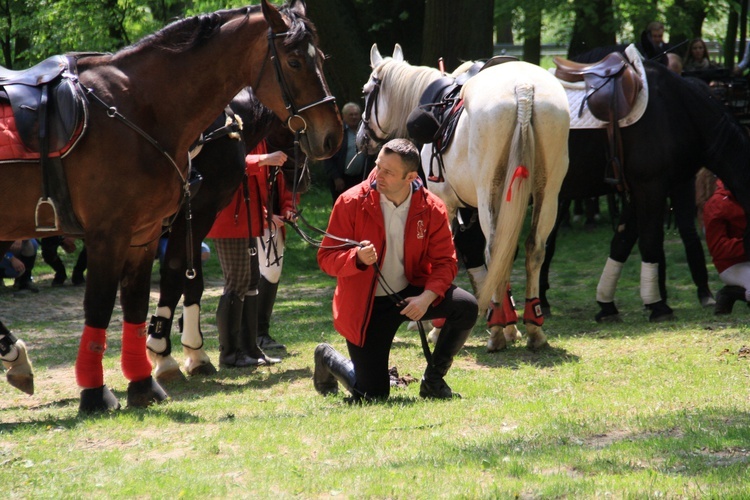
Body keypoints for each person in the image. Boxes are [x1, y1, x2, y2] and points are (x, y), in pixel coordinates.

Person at [314, 138, 478, 401]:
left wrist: (427, 298)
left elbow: (446, 262)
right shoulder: (350, 202)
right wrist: (355, 258)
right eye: (378, 166)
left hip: (410, 293)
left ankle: (433, 381)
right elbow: (326, 258)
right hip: (368, 308)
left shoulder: (432, 207)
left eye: (388, 172)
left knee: (466, 306)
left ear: (411, 176)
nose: (378, 174)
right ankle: (327, 357)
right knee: (373, 395)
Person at [206, 140, 284, 368]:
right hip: (230, 220)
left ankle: (250, 348)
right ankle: (230, 354)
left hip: (248, 218)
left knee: (251, 282)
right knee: (237, 283)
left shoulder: (252, 133)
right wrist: (262, 159)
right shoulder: (227, 127)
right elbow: (224, 162)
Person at [256, 156, 299, 351]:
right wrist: (265, 217)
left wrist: (290, 209)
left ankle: (260, 333)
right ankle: (253, 334)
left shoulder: (281, 151)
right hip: (252, 222)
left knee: (272, 273)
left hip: (273, 223)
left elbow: (288, 187)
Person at [703, 178, 750, 314]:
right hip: (731, 264)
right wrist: (746, 245)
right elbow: (718, 249)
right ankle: (730, 294)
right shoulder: (716, 204)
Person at [322, 102, 370, 204]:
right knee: (341, 206)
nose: (354, 117)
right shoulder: (337, 133)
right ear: (343, 116)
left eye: (356, 114)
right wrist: (336, 178)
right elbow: (328, 158)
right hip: (342, 179)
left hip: (361, 178)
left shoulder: (366, 132)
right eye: (350, 114)